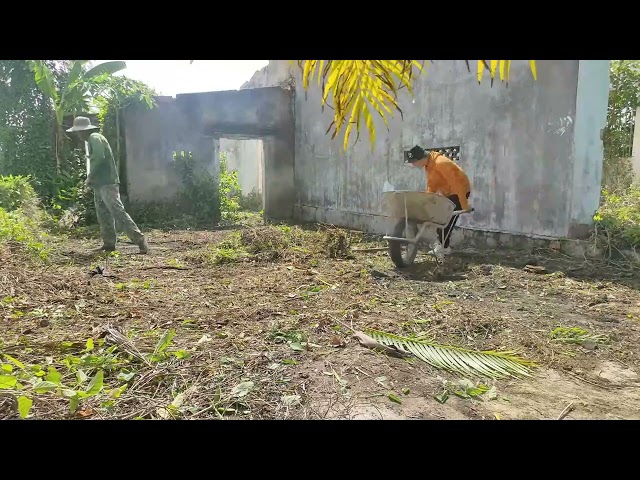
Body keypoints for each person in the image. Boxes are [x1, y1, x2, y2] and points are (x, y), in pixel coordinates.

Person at [66, 116, 149, 254]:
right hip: (99, 184)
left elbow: (99, 157)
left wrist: (90, 177)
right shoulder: (91, 140)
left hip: (107, 182)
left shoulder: (95, 137)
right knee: (103, 214)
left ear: (84, 131)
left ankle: (139, 239)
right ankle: (109, 244)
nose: (78, 135)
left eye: (79, 131)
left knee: (117, 211)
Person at [405, 145, 472, 257]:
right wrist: (425, 202)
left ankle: (444, 247)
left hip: (460, 191)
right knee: (440, 218)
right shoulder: (429, 166)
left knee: (447, 219)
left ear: (421, 158)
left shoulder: (441, 163)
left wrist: (465, 205)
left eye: (414, 162)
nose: (413, 165)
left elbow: (458, 185)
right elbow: (432, 185)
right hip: (448, 192)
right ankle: (442, 244)